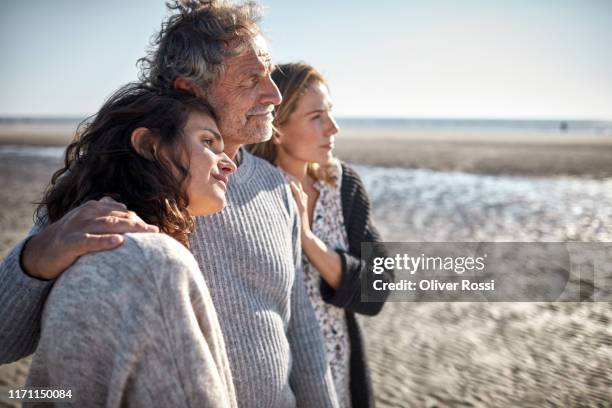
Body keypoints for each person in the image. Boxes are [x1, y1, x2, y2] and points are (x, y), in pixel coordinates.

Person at [0, 2, 338, 407]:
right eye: (252, 78)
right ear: (188, 88)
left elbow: (300, 332)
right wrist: (36, 256)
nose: (274, 93)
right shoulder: (119, 187)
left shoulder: (274, 186)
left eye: (269, 72)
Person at [25, 83, 238, 407]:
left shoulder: (90, 255)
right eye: (207, 141)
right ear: (149, 145)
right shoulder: (154, 264)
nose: (229, 164)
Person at [247, 62, 393, 408]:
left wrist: (308, 241)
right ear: (277, 129)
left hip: (340, 375)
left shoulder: (343, 186)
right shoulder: (245, 195)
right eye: (316, 117)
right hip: (275, 384)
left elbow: (377, 290)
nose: (334, 128)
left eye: (330, 113)